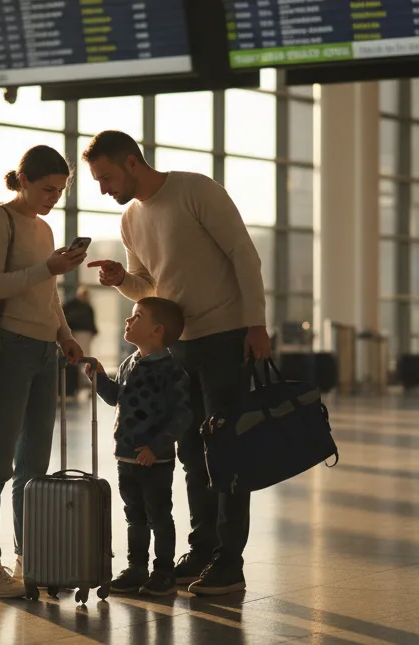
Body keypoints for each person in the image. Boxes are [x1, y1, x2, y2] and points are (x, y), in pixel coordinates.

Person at [83, 130, 269, 596]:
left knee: (226, 450)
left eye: (105, 177)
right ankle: (203, 549)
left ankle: (231, 561)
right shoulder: (130, 220)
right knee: (189, 454)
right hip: (178, 348)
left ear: (131, 162)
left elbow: (244, 256)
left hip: (226, 336)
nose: (103, 188)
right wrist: (123, 279)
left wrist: (256, 324)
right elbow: (150, 289)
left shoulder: (196, 190)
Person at [0, 145, 86, 599]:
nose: (53, 198)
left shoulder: (45, 227)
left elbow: (48, 294)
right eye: (46, 189)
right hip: (8, 347)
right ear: (23, 179)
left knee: (34, 467)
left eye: (60, 191)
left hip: (43, 351)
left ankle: (29, 558)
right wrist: (47, 267)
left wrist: (65, 335)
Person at [86, 297, 191, 597]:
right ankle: (136, 567)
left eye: (137, 317)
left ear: (156, 330)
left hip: (153, 461)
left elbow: (182, 414)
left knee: (159, 514)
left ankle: (163, 571)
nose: (128, 321)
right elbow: (118, 397)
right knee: (134, 515)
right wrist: (99, 378)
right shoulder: (129, 362)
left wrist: (157, 448)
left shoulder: (171, 370)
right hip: (126, 458)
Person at [61, 286, 97, 400]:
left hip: (82, 334)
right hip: (76, 333)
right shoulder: (74, 306)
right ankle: (76, 385)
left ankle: (82, 384)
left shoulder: (83, 306)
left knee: (83, 359)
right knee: (79, 359)